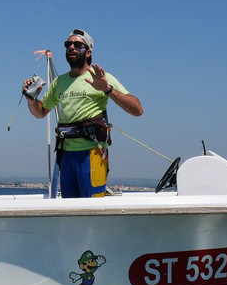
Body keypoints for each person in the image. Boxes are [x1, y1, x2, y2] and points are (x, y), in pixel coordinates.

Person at [24, 29, 143, 198]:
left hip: (92, 153)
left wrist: (107, 89)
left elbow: (137, 109)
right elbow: (40, 112)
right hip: (66, 155)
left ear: (88, 52)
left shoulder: (102, 78)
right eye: (68, 45)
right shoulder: (59, 82)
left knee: (91, 208)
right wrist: (31, 98)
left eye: (77, 45)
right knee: (70, 211)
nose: (71, 47)